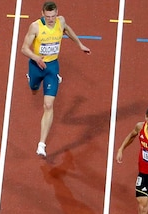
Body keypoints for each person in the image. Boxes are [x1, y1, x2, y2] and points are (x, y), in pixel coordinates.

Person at [20, 2, 91, 158]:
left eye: (53, 16)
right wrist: (36, 58)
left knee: (48, 104)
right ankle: (32, 81)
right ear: (42, 14)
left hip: (52, 67)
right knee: (33, 90)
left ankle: (41, 144)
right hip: (36, 66)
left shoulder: (61, 21)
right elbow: (24, 48)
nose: (51, 20)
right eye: (48, 17)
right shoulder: (35, 27)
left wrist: (79, 44)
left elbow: (67, 29)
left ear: (57, 13)